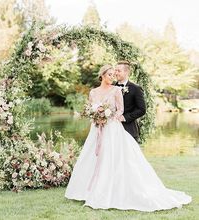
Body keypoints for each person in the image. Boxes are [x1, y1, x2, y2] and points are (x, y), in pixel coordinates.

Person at [65, 64, 191, 212]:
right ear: (102, 75)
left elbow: (127, 110)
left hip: (114, 128)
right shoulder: (93, 92)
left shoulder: (122, 89)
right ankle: (91, 190)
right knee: (95, 157)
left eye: (116, 72)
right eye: (111, 74)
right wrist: (96, 116)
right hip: (97, 129)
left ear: (125, 72)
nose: (114, 76)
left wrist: (113, 116)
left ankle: (116, 190)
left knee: (120, 160)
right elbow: (91, 108)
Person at [115, 61, 146, 142]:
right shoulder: (111, 87)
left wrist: (125, 117)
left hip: (129, 129)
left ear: (126, 72)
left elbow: (142, 109)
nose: (116, 73)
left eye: (119, 71)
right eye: (115, 70)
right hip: (112, 129)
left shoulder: (135, 88)